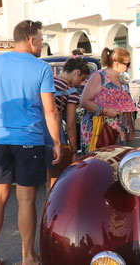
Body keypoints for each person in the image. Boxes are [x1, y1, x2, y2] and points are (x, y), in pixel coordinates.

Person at [0, 20, 62, 265]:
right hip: (29, 141)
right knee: (26, 200)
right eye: (40, 37)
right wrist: (57, 141)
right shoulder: (41, 68)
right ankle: (28, 257)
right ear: (30, 38)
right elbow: (50, 111)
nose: (41, 42)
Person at [45, 56, 90, 191]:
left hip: (36, 132)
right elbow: (70, 125)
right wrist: (74, 150)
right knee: (56, 179)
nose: (81, 83)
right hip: (54, 135)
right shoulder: (71, 91)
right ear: (77, 72)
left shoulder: (48, 82)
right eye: (82, 79)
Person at [80, 47, 135, 154]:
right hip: (98, 130)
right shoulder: (99, 76)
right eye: (127, 64)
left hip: (119, 130)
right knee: (97, 164)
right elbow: (84, 101)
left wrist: (131, 127)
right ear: (116, 63)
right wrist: (106, 111)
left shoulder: (122, 79)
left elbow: (126, 104)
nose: (129, 67)